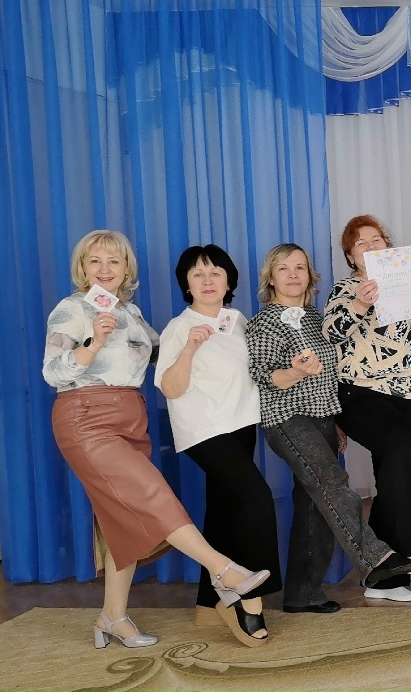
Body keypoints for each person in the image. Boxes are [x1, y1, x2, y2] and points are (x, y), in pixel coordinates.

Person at [43, 230, 270, 649]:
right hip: (86, 417)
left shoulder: (130, 314)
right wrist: (93, 343)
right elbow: (53, 371)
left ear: (126, 269)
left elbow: (161, 354)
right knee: (153, 495)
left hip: (131, 419)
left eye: (114, 261)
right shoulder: (71, 309)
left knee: (122, 521)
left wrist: (206, 340)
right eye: (96, 261)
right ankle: (224, 571)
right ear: (83, 268)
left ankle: (112, 616)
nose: (105, 269)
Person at [248, 243, 411, 614]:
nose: (293, 275)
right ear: (271, 278)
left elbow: (332, 374)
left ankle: (302, 593)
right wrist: (295, 371)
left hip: (323, 418)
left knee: (315, 505)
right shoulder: (264, 321)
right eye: (283, 268)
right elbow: (263, 376)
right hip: (287, 418)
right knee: (331, 482)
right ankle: (376, 558)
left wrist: (337, 420)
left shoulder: (314, 316)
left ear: (310, 275)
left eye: (300, 267)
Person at [156, 245, 280, 648]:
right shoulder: (179, 327)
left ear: (228, 281)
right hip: (205, 430)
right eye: (197, 274)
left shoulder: (237, 320)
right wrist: (191, 347)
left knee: (225, 512)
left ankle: (208, 606)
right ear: (186, 283)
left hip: (241, 425)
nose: (207, 280)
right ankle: (249, 602)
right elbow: (170, 388)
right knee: (256, 499)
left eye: (215, 273)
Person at [324, 216, 411, 603]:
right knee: (402, 450)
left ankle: (382, 576)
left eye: (377, 240)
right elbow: (330, 332)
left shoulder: (408, 287)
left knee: (395, 469)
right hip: (360, 392)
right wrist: (359, 303)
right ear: (351, 257)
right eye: (361, 243)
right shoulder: (347, 289)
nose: (371, 246)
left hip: (407, 396)